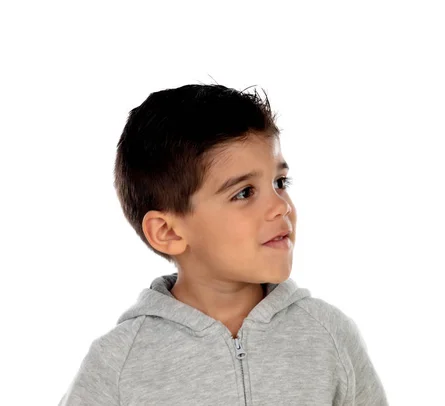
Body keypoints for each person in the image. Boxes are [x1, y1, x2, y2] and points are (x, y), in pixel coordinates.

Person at [58, 83, 388, 405]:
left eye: (279, 183)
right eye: (244, 192)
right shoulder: (119, 362)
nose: (281, 206)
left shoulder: (328, 335)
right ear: (168, 232)